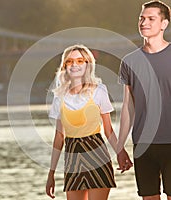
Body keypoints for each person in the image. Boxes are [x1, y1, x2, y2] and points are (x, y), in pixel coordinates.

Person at [117, 1, 171, 200]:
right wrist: (120, 147)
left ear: (164, 24)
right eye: (142, 18)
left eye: (151, 19)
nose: (144, 22)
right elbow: (128, 107)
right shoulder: (129, 61)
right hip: (143, 145)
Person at [46, 44, 119, 200]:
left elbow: (108, 130)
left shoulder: (99, 91)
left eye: (80, 61)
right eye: (70, 61)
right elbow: (59, 138)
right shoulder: (59, 97)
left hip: (98, 157)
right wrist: (51, 173)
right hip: (72, 160)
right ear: (64, 66)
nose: (74, 65)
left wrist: (121, 153)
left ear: (88, 64)